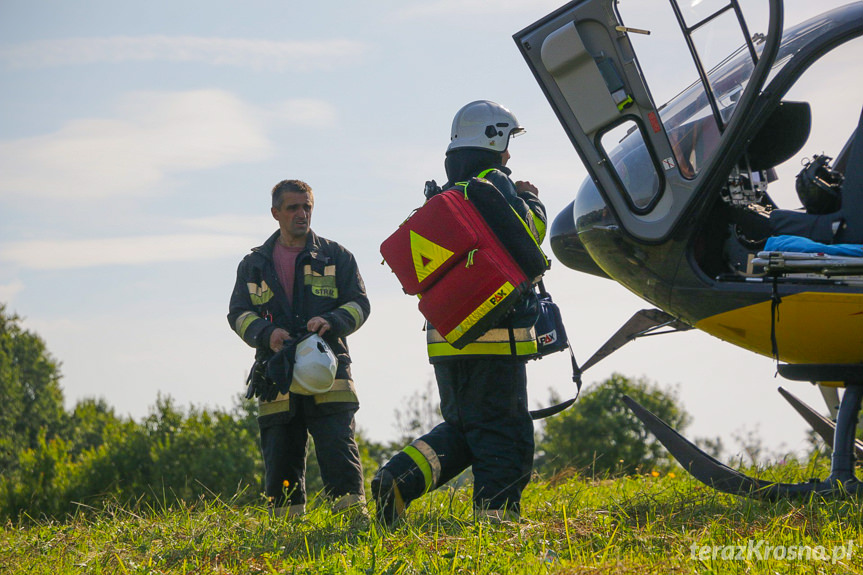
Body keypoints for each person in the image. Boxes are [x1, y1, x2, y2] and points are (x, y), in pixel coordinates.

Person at [372, 100, 547, 525]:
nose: (509, 154)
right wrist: (531, 199)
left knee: (466, 429)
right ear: (494, 139)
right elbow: (530, 236)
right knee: (506, 434)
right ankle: (496, 523)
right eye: (507, 143)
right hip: (494, 336)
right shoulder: (494, 183)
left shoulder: (448, 194)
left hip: (448, 337)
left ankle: (398, 479)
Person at [228, 179, 370, 518]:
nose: (301, 214)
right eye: (293, 208)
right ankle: (286, 534)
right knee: (281, 457)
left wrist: (333, 321)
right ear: (276, 213)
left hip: (329, 371)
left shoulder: (336, 256)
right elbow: (238, 314)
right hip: (276, 372)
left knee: (338, 450)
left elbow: (360, 304)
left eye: (307, 207)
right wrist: (267, 333)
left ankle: (353, 526)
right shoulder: (254, 265)